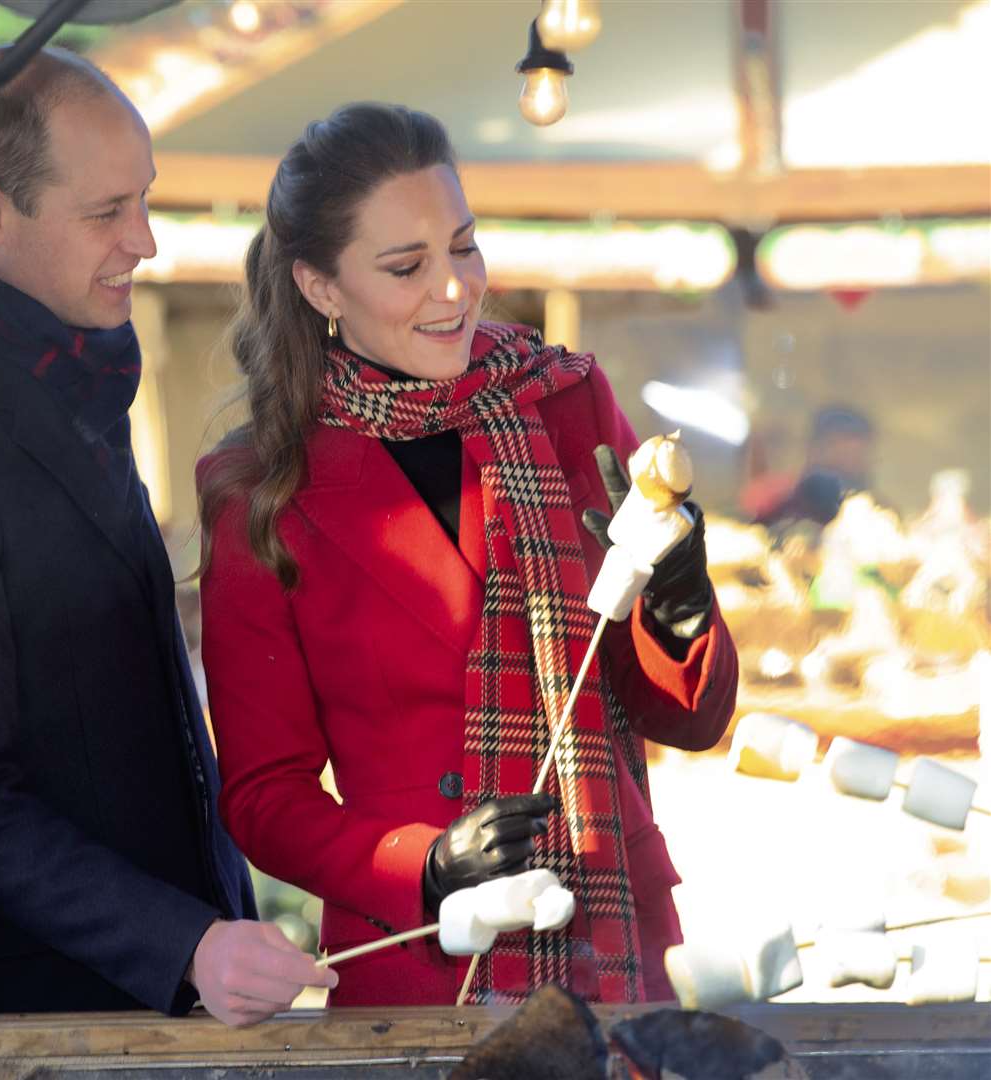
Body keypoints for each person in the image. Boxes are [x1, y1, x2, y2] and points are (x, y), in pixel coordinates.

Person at [196, 103, 739, 1008]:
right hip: (419, 961)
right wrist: (426, 864)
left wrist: (678, 609)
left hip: (610, 935)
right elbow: (262, 796)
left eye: (465, 246)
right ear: (320, 287)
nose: (455, 289)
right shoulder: (260, 488)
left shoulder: (567, 401)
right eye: (407, 267)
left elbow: (685, 717)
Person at [0, 48, 335, 1027]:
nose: (146, 240)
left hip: (167, 994)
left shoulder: (66, 352)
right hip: (48, 1021)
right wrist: (182, 942)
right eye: (107, 211)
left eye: (144, 198)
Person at [742, 405, 877, 533]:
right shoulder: (772, 500)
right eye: (840, 451)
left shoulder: (875, 518)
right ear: (813, 449)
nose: (848, 462)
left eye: (856, 455)